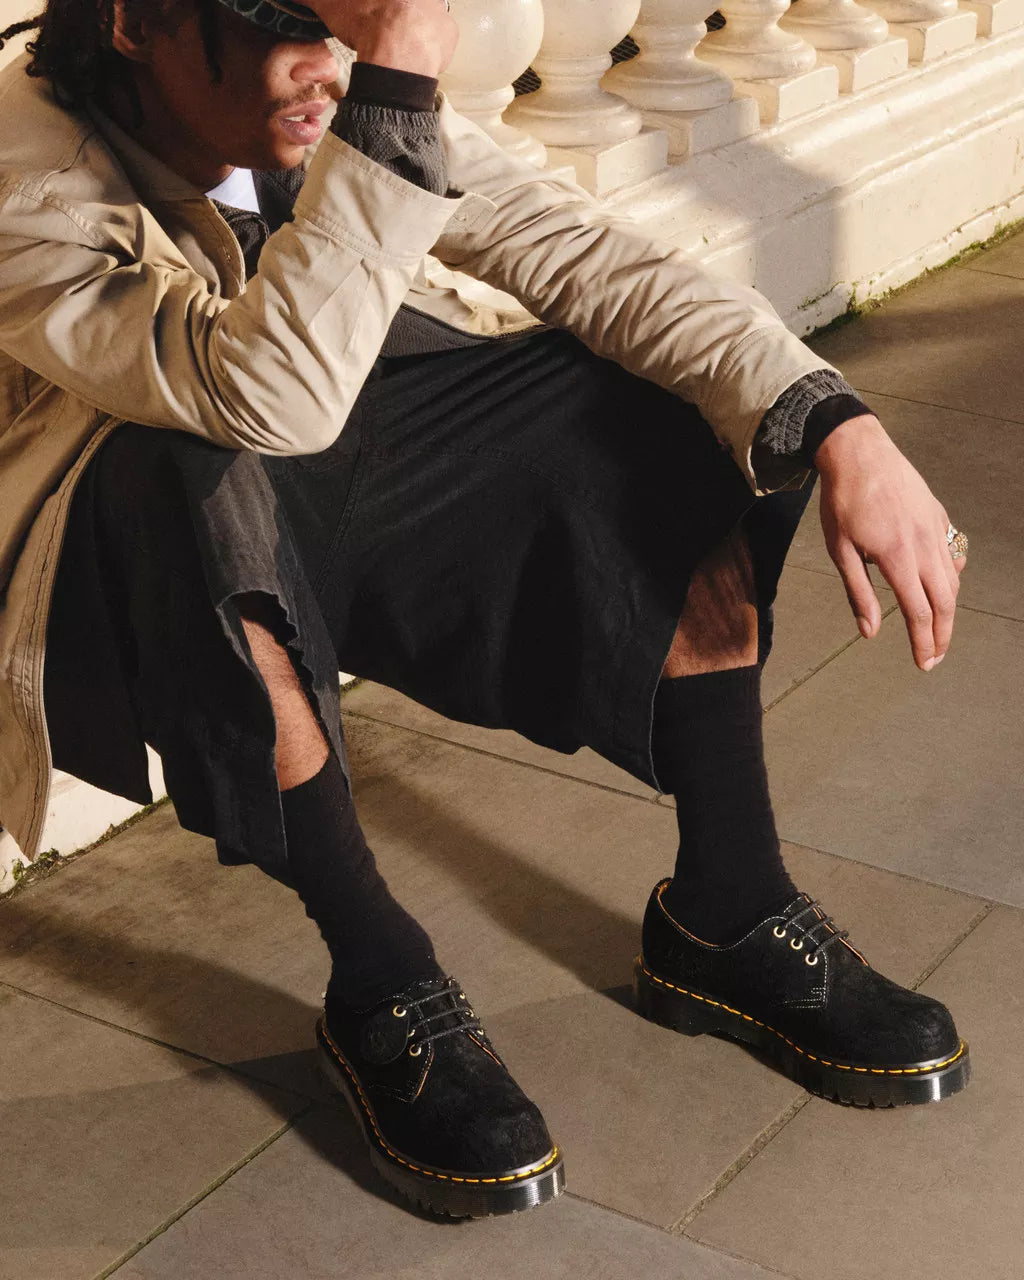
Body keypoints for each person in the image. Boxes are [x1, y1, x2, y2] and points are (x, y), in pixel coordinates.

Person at [0, 0, 971, 1220]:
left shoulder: (310, 81)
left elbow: (585, 253)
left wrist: (838, 420)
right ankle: (380, 977)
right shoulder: (24, 179)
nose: (328, 59)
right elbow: (267, 400)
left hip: (314, 407)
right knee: (189, 490)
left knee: (663, 408)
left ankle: (729, 905)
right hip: (117, 535)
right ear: (137, 22)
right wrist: (392, 81)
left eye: (347, 17)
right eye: (280, 17)